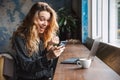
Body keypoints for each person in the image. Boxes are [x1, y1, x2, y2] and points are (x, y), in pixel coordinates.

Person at [11, 2, 65, 80]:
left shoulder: (44, 35)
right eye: (42, 19)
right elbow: (27, 66)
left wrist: (49, 46)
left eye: (48, 20)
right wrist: (48, 56)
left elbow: (46, 66)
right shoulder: (20, 37)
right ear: (32, 18)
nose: (45, 24)